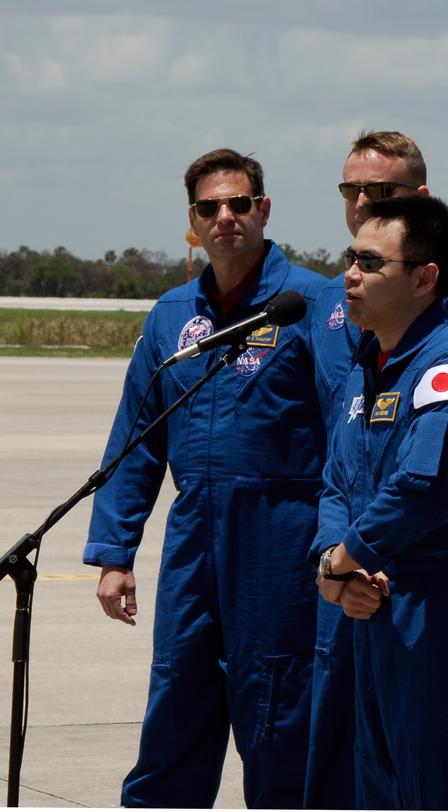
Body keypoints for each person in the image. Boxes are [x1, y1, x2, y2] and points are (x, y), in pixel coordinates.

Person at [85, 148, 328, 806]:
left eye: (239, 203)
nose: (225, 217)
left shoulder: (311, 304)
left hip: (283, 541)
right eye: (209, 207)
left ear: (263, 210)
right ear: (192, 221)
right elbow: (138, 437)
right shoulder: (172, 315)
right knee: (177, 703)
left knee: (278, 715)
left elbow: (348, 427)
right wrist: (115, 552)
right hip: (194, 539)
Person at [306, 130, 448, 808]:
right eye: (350, 259)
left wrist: (345, 560)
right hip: (366, 604)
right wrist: (335, 569)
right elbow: (338, 482)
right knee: (375, 784)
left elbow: (424, 487)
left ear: (425, 279)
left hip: (434, 616)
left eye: (371, 263)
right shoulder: (367, 367)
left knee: (437, 784)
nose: (350, 276)